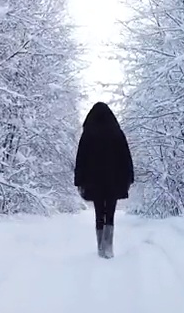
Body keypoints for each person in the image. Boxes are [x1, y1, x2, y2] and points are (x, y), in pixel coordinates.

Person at [73, 102, 134, 259]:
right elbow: (126, 157)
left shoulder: (88, 134)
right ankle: (108, 246)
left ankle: (101, 246)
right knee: (110, 212)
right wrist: (128, 177)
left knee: (99, 212)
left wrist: (79, 179)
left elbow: (81, 158)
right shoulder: (116, 133)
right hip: (113, 179)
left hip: (94, 180)